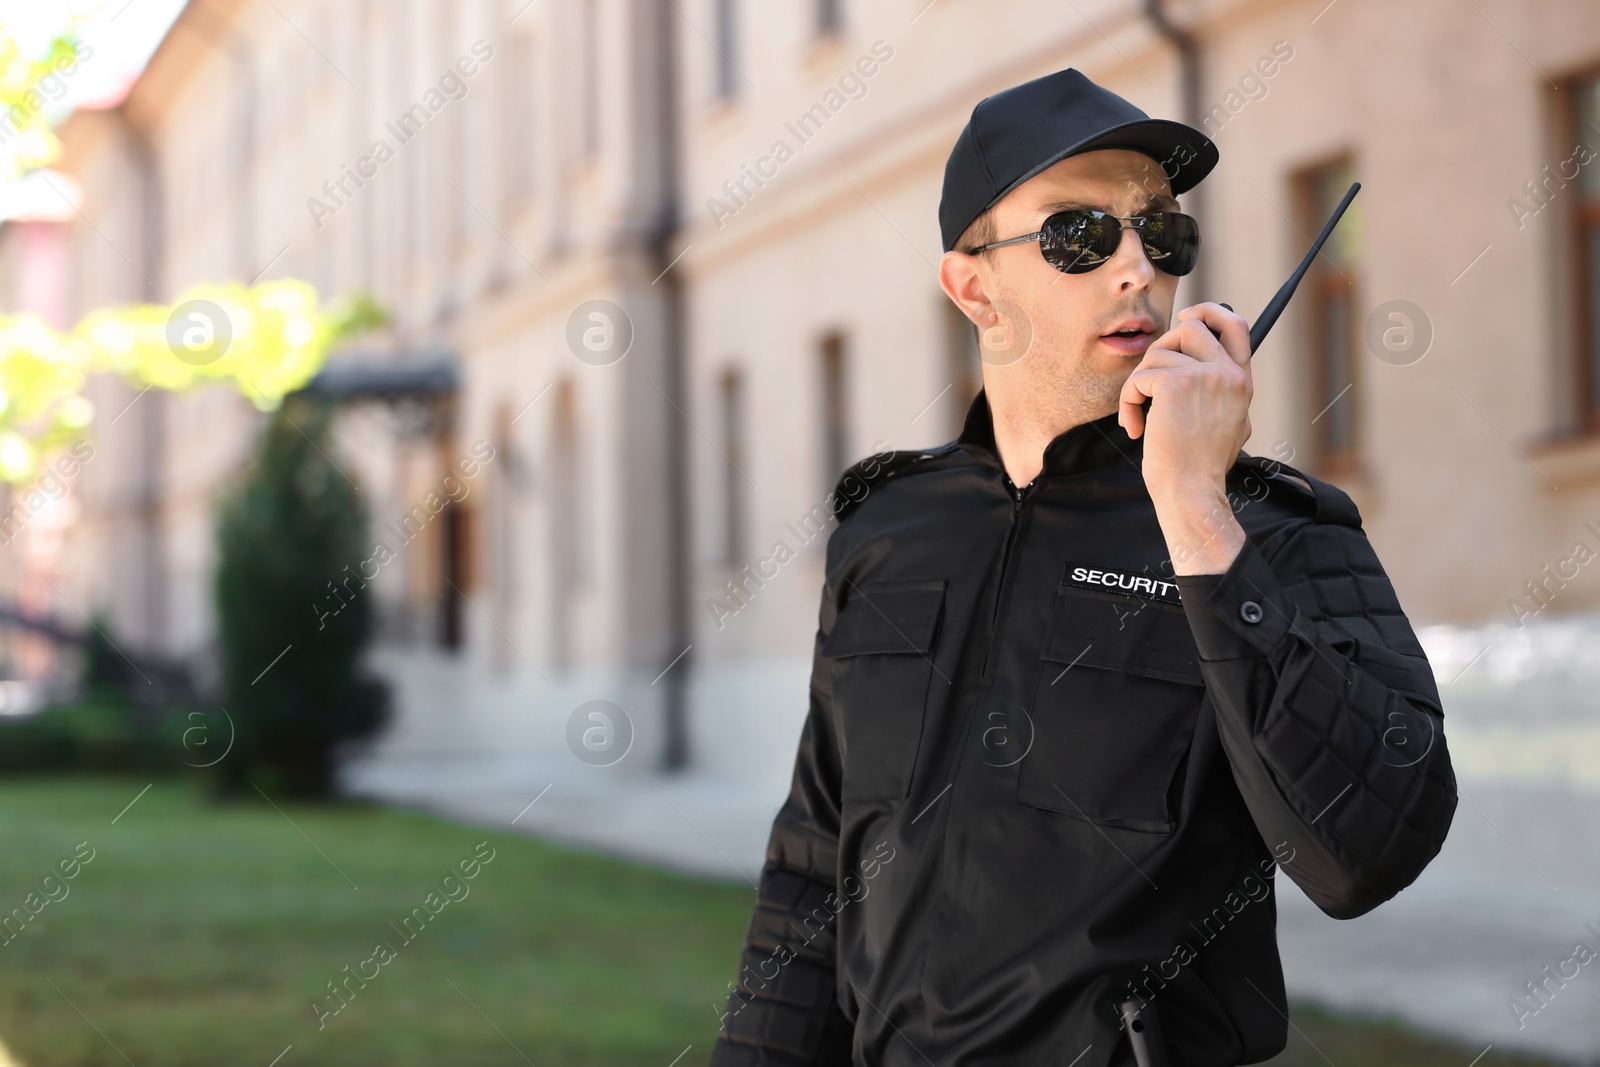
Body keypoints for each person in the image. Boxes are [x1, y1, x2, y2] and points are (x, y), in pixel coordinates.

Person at [708, 67, 1456, 1067]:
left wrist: (1193, 507)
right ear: (973, 284)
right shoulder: (888, 525)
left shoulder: (1268, 532)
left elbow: (1364, 850)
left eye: (1162, 233)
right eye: (1079, 235)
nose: (1135, 268)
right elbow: (814, 862)